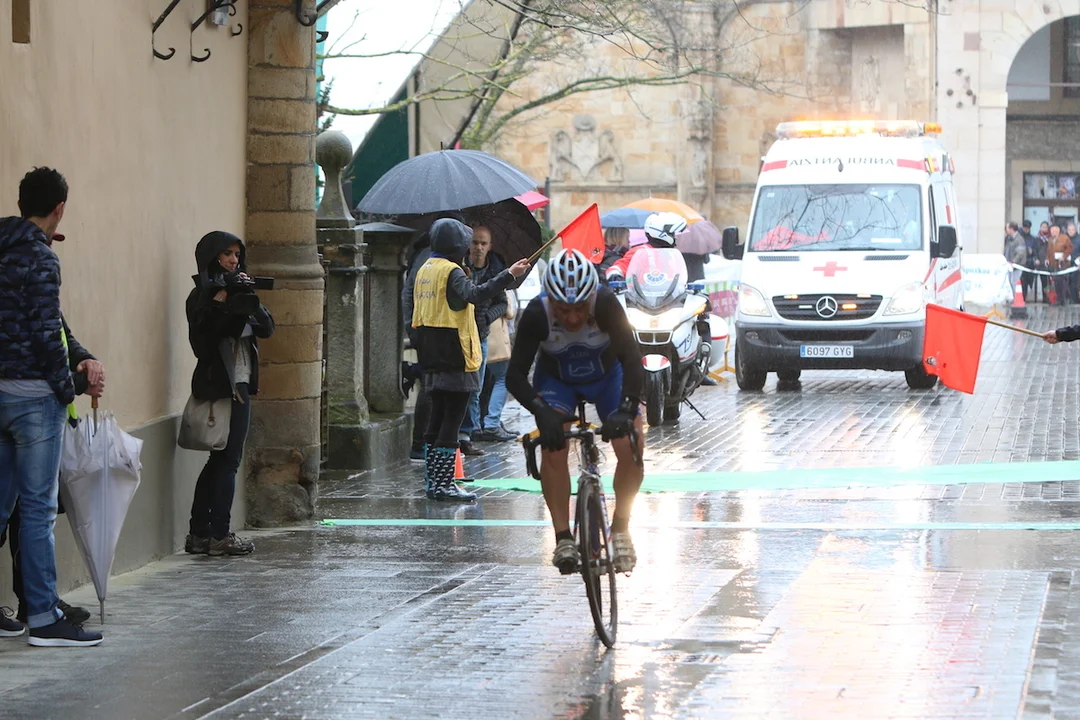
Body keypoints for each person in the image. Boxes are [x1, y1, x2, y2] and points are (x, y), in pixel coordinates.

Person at [0, 167, 103, 646]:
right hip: (33, 401)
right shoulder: (40, 259)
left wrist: (77, 358)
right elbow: (47, 334)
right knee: (39, 511)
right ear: (59, 208)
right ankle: (42, 618)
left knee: (1, 507)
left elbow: (53, 326)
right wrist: (69, 387)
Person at [507, 249, 645, 574]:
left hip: (608, 378)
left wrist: (626, 409)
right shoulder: (536, 313)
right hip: (558, 381)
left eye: (580, 308)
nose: (571, 318)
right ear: (550, 300)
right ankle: (563, 537)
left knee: (631, 442)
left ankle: (621, 528)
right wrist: (541, 411)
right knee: (553, 447)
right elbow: (514, 376)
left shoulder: (606, 303)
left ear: (591, 298)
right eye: (563, 310)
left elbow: (632, 358)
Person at [412, 219, 529, 501]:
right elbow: (475, 295)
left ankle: (434, 482)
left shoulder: (426, 268)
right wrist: (508, 275)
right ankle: (444, 484)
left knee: (436, 419)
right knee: (451, 420)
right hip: (456, 354)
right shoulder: (450, 271)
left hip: (432, 352)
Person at [6, 312, 101, 631]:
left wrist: (84, 360)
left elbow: (61, 337)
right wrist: (77, 383)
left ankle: (36, 604)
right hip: (26, 415)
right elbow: (33, 361)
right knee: (31, 511)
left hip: (34, 419)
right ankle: (42, 611)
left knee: (23, 514)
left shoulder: (34, 294)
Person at [184, 231, 275, 556]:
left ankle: (200, 534)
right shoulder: (200, 296)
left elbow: (267, 328)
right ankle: (218, 535)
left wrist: (248, 298)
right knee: (227, 461)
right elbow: (203, 344)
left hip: (240, 383)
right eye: (226, 254)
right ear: (212, 257)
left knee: (220, 461)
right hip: (222, 386)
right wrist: (220, 305)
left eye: (237, 254)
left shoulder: (242, 290)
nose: (233, 260)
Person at [458, 226, 508, 455]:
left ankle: (469, 433)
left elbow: (502, 303)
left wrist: (487, 317)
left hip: (480, 337)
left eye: (483, 243)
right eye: (475, 242)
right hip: (458, 335)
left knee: (474, 388)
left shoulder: (495, 271)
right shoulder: (458, 267)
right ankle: (459, 433)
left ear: (490, 246)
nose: (478, 247)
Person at [476, 295, 516, 442]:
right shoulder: (500, 287)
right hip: (495, 338)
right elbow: (510, 312)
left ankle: (479, 424)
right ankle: (492, 422)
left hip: (483, 337)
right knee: (503, 379)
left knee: (482, 383)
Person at [605, 211, 688, 281]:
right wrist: (615, 274)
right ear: (662, 233)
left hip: (669, 294)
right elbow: (619, 267)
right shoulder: (640, 252)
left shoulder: (671, 254)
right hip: (641, 295)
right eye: (672, 234)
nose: (674, 237)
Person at [1046, 224, 1073, 306]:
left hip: (1064, 264)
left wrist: (1064, 256)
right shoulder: (1050, 240)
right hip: (1054, 264)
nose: (1052, 232)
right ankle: (1059, 299)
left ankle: (1064, 299)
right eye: (1051, 230)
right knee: (1056, 282)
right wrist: (1047, 259)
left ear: (1058, 230)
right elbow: (1049, 251)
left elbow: (1070, 248)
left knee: (1063, 282)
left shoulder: (1065, 238)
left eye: (1054, 230)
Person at [1004, 222, 1027, 293]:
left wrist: (1013, 263)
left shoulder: (1019, 239)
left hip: (1016, 266)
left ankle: (1015, 298)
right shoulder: (1008, 238)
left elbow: (1020, 253)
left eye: (1007, 228)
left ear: (1011, 229)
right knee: (1010, 283)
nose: (1006, 229)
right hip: (1009, 265)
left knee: (1014, 283)